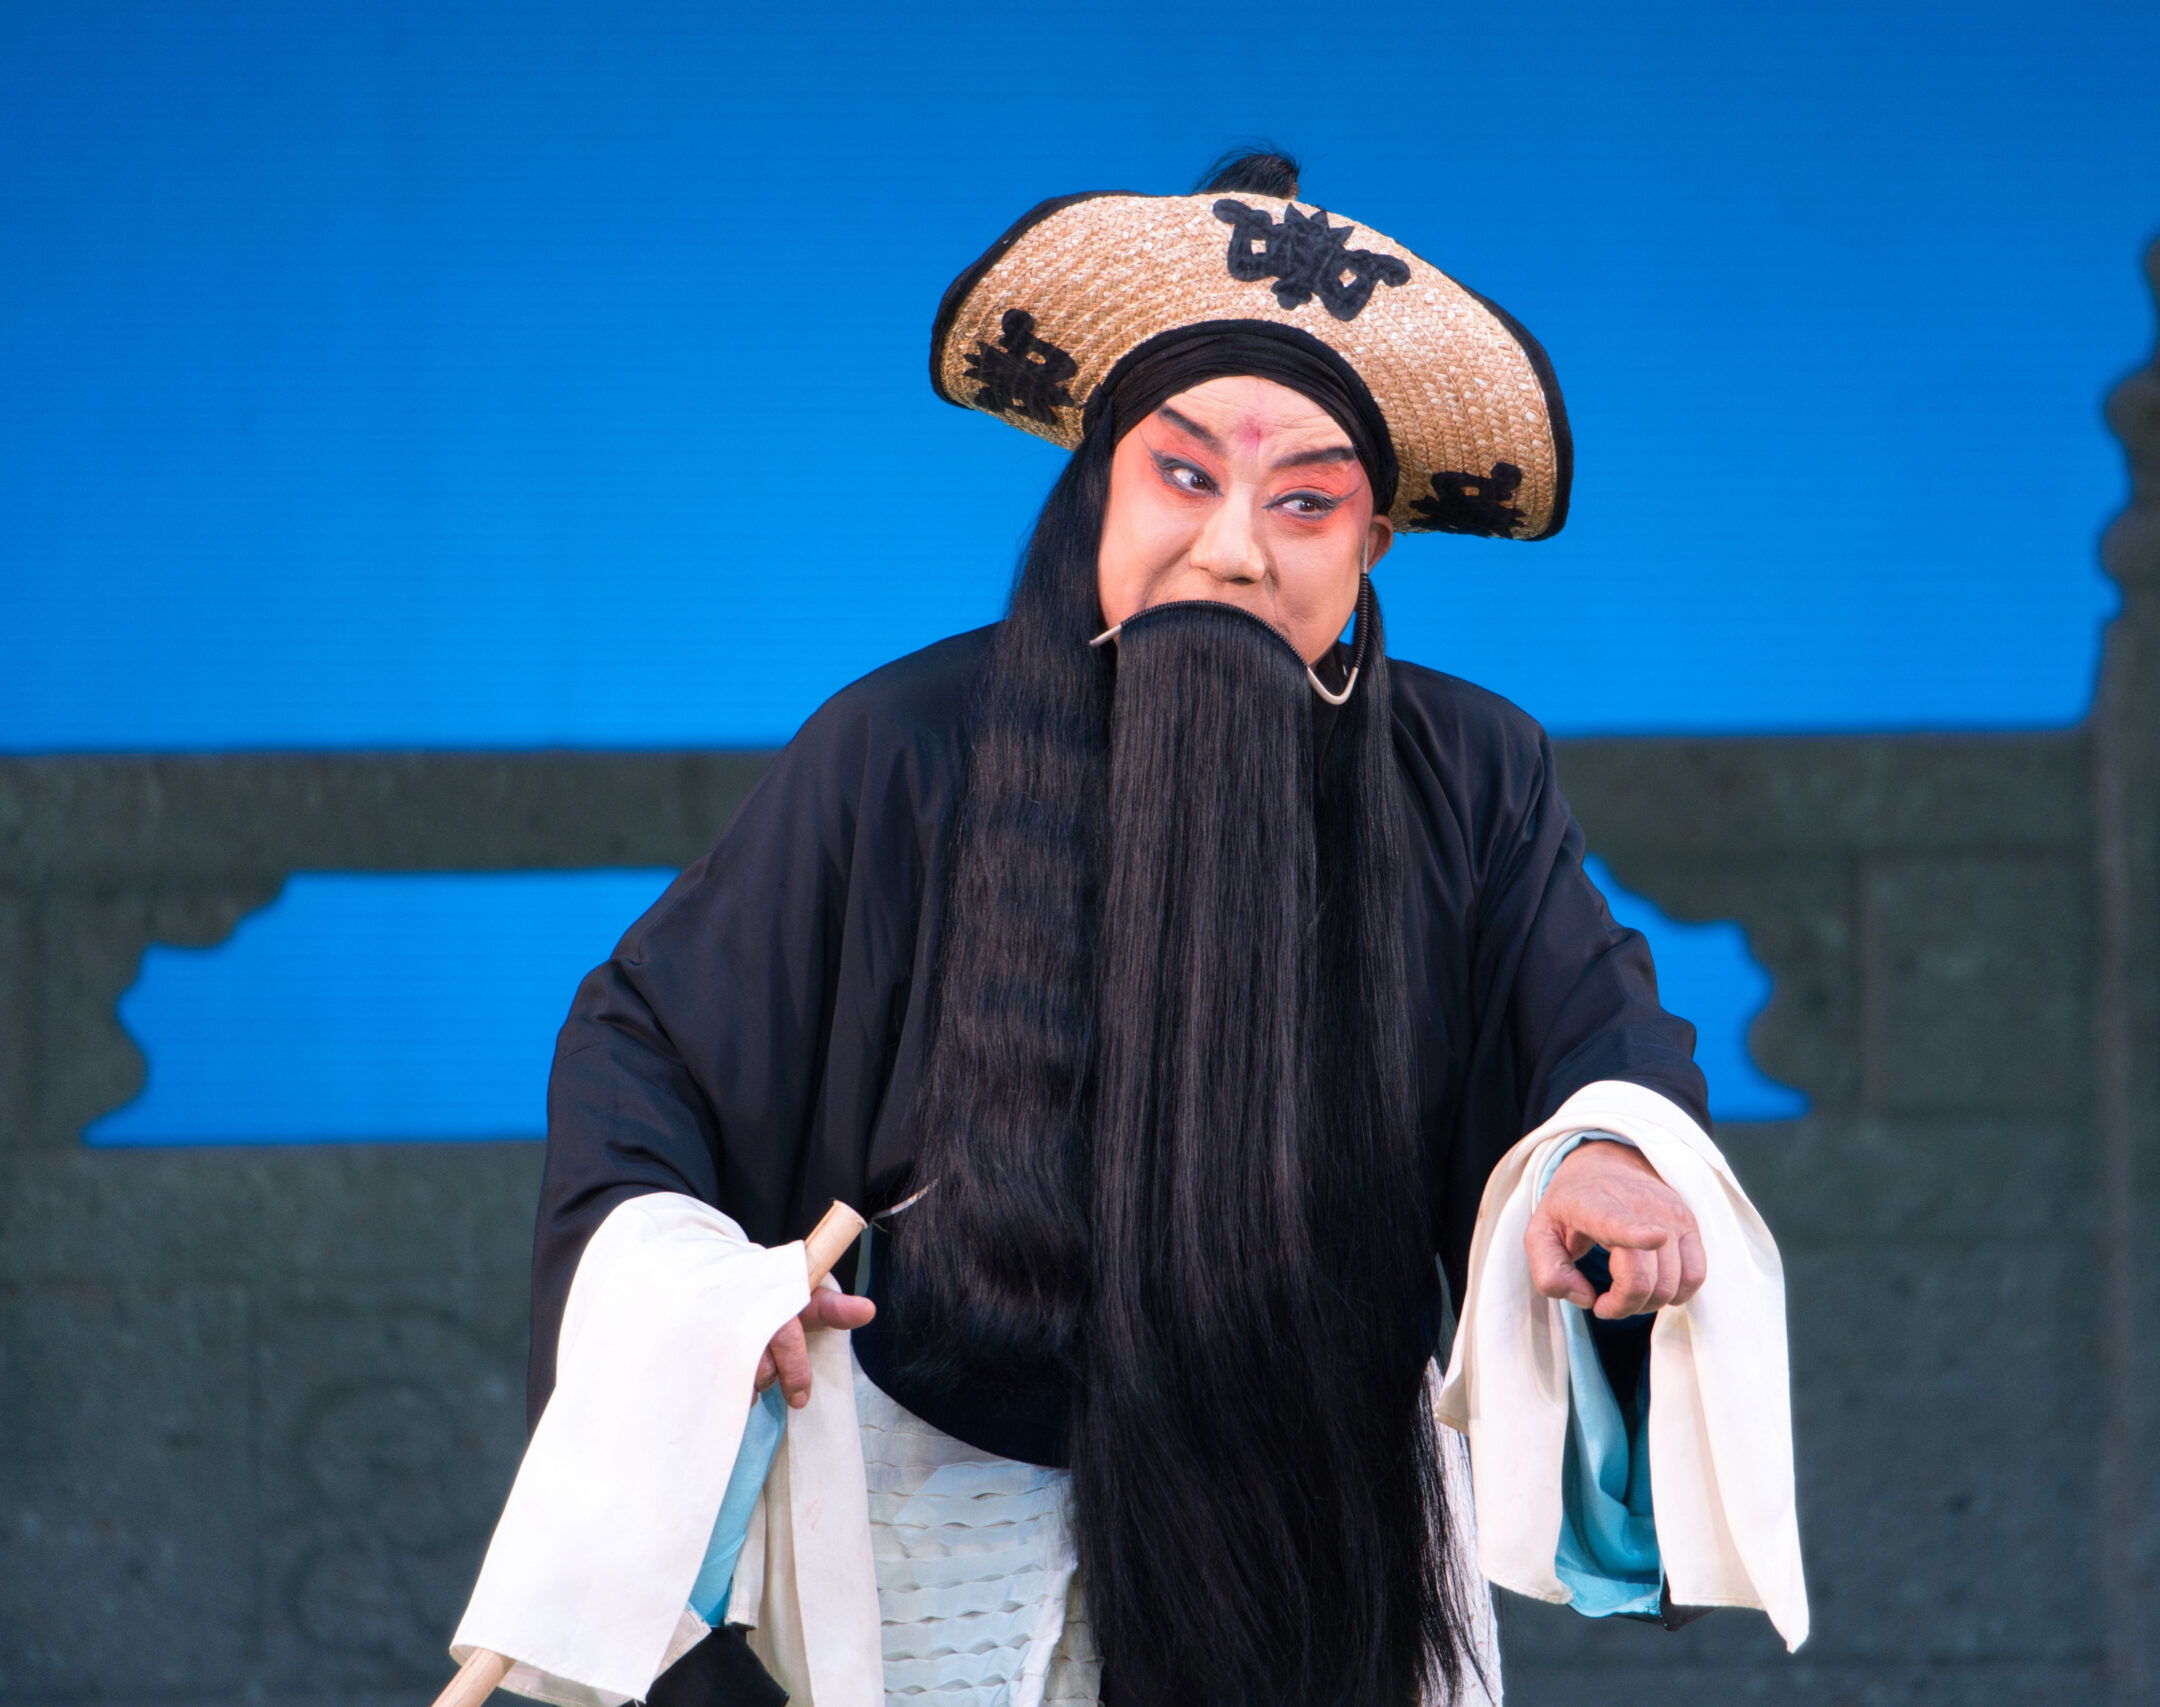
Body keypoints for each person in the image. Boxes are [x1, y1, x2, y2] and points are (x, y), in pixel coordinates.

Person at [460, 148, 1802, 1707]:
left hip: (1326, 1514)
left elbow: (1587, 1026)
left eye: (1306, 503)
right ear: (1095, 485)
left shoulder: (1471, 772)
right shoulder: (902, 749)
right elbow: (652, 1048)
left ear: (1370, 546)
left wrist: (1604, 1154)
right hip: (938, 1507)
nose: (1235, 547)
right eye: (1183, 477)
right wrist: (698, 1296)